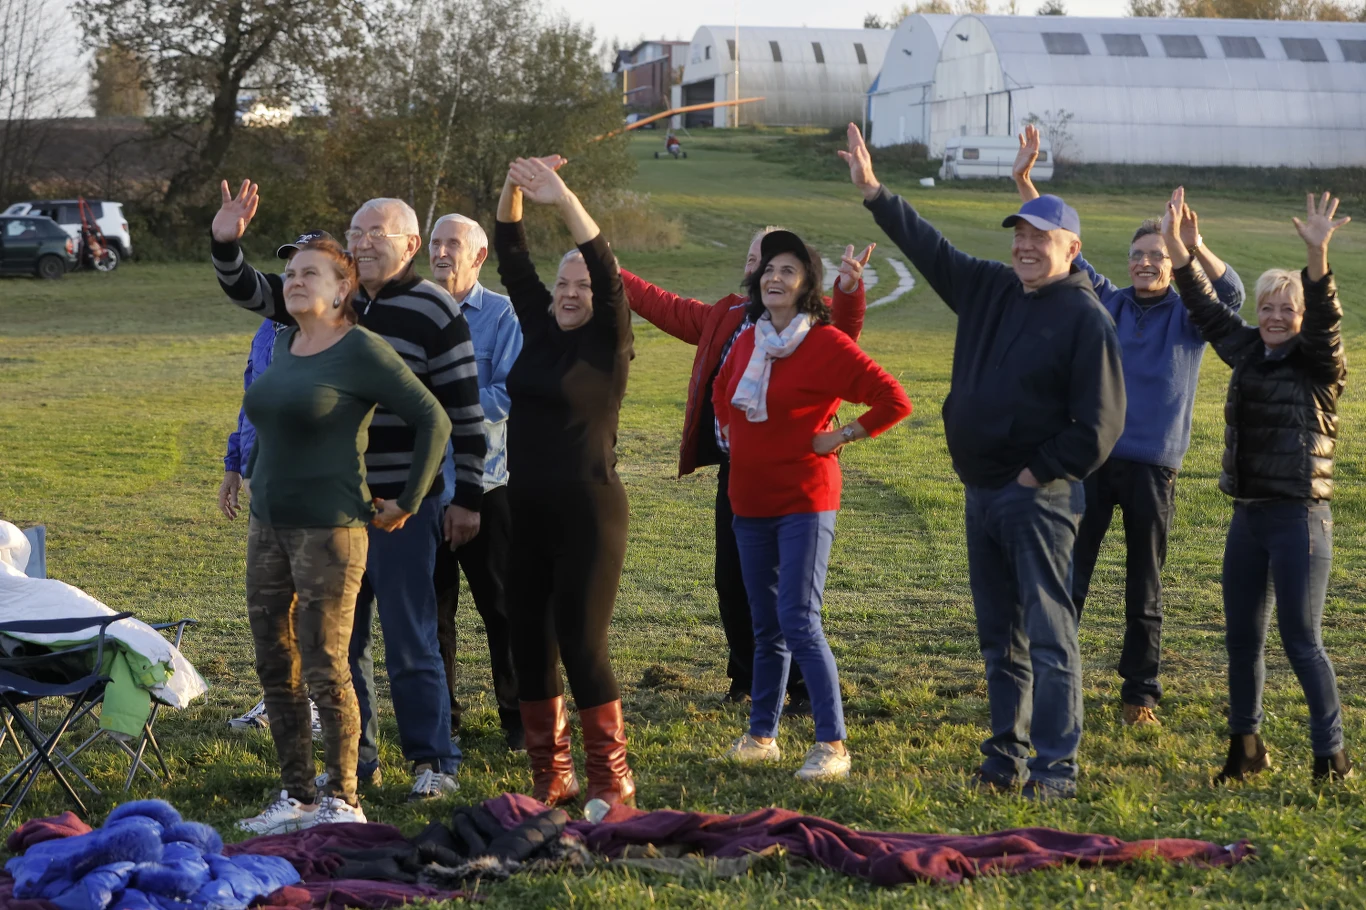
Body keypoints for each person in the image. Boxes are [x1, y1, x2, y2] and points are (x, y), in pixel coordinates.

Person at [840, 123, 1125, 799]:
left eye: (1040, 238)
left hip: (1039, 500)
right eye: (1018, 235)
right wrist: (876, 193)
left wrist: (1036, 471)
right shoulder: (992, 288)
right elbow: (930, 248)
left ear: (1072, 249)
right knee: (1000, 640)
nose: (1025, 247)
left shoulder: (1087, 319)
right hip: (981, 495)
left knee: (1051, 639)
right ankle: (1006, 756)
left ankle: (1055, 768)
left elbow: (1102, 425)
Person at [212, 181, 485, 800]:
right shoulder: (332, 307)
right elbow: (251, 289)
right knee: (342, 645)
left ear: (412, 245)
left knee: (412, 634)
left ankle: (433, 760)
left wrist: (463, 492)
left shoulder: (433, 309)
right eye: (355, 232)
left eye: (376, 234)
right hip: (331, 507)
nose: (361, 243)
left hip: (397, 504)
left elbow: (459, 410)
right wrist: (226, 243)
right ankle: (354, 765)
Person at [1013, 125, 1246, 727]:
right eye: (1139, 254)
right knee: (1071, 575)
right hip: (1094, 460)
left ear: (1172, 265)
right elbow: (1065, 253)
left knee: (1144, 587)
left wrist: (1192, 244)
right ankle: (1050, 678)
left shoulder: (1190, 313)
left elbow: (1232, 293)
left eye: (1157, 256)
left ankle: (1139, 694)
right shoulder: (1109, 303)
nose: (1146, 262)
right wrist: (1024, 182)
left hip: (1153, 466)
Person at [619, 233, 871, 710]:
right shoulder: (729, 316)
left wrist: (850, 289)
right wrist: (611, 270)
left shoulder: (810, 325)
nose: (764, 272)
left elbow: (846, 330)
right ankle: (748, 678)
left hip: (796, 476)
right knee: (733, 580)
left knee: (788, 592)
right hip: (738, 473)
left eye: (775, 265)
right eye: (756, 261)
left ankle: (799, 690)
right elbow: (667, 307)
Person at [1161, 188, 1353, 784]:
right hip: (1248, 518)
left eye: (1284, 311)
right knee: (1242, 640)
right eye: (1267, 307)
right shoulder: (1247, 351)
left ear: (1299, 321)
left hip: (1300, 519)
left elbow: (1326, 321)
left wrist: (1316, 260)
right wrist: (1185, 251)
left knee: (1302, 641)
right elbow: (1208, 309)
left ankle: (1333, 756)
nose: (1273, 317)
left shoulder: (1319, 365)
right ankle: (1246, 749)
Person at [712, 230, 911, 783]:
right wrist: (729, 431)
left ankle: (832, 744)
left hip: (805, 500)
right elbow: (721, 389)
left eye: (788, 271)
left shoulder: (823, 343)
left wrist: (842, 433)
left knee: (799, 620)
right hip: (748, 500)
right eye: (768, 268)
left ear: (806, 287)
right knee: (764, 626)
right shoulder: (749, 340)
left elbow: (894, 398)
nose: (774, 278)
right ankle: (761, 737)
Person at [494, 155, 636, 808]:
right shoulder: (540, 327)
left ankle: (613, 784)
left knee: (581, 643)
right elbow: (510, 251)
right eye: (564, 283)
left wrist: (564, 199)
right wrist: (513, 189)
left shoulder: (607, 341)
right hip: (526, 514)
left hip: (589, 513)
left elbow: (605, 267)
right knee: (530, 644)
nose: (572, 291)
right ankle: (551, 780)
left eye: (581, 283)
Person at [222, 232, 330, 737]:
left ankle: (311, 707)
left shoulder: (326, 331)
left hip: (310, 490)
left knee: (310, 605)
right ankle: (280, 702)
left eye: (306, 269)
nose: (295, 278)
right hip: (262, 480)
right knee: (271, 607)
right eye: (288, 269)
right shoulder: (267, 328)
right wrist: (234, 461)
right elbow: (251, 396)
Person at [427, 212, 525, 752]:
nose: (441, 252)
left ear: (479, 256)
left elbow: (511, 393)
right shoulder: (412, 310)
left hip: (486, 487)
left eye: (453, 244)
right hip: (421, 490)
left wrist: (446, 411)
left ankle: (516, 718)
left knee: (503, 608)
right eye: (435, 242)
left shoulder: (502, 315)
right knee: (431, 614)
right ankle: (444, 718)